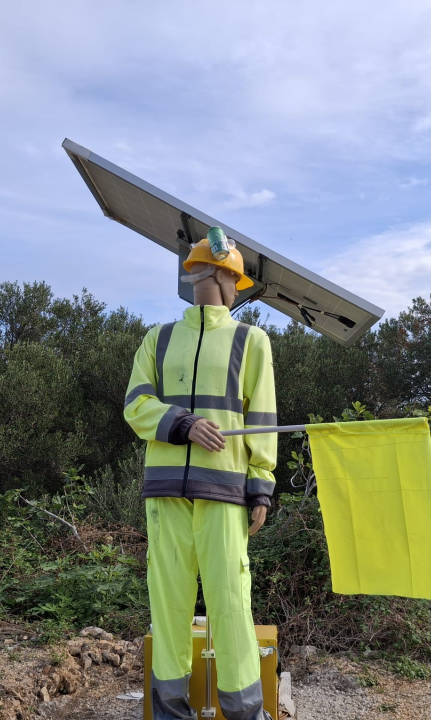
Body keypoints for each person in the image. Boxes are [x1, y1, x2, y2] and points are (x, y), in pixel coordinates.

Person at [124, 234, 277, 720]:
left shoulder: (251, 340)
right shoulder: (159, 338)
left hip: (226, 496)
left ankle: (244, 713)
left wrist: (261, 486)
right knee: (166, 608)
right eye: (236, 277)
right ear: (219, 274)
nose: (237, 288)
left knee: (231, 607)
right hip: (166, 495)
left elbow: (263, 419)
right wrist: (185, 425)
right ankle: (171, 713)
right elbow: (135, 406)